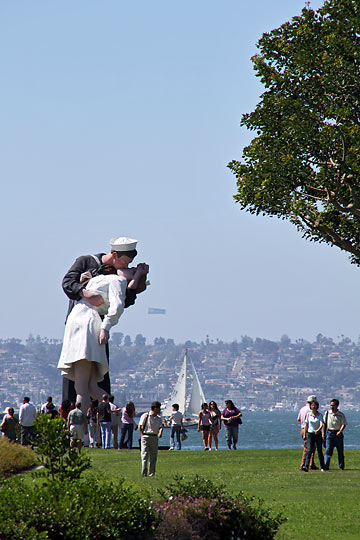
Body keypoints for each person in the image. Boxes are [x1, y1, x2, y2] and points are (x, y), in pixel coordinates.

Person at [58, 242, 149, 413]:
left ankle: (97, 416)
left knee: (91, 381)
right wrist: (84, 291)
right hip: (83, 325)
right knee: (80, 383)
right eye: (125, 262)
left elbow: (125, 301)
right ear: (114, 254)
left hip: (95, 326)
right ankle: (81, 420)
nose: (126, 266)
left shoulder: (116, 276)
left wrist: (137, 278)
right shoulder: (86, 261)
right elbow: (67, 283)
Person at [139, 401, 163, 477]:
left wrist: (160, 432)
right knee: (145, 455)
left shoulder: (159, 419)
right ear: (155, 408)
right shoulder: (145, 416)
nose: (160, 411)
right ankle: (144, 473)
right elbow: (140, 426)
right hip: (146, 436)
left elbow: (161, 426)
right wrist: (142, 435)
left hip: (154, 437)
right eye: (159, 409)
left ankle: (152, 473)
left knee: (153, 456)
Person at [323, 399, 347, 470]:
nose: (331, 407)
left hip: (338, 434)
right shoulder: (327, 413)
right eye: (331, 405)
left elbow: (344, 424)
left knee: (340, 451)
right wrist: (323, 433)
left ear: (337, 406)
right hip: (330, 433)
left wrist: (340, 431)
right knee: (328, 450)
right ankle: (326, 466)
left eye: (333, 405)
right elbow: (324, 423)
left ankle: (341, 466)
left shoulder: (340, 415)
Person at [302, 400, 325, 472]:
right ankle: (306, 466)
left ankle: (322, 466)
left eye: (315, 405)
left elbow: (322, 424)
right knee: (309, 450)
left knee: (319, 451)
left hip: (317, 434)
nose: (313, 407)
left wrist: (318, 430)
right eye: (312, 405)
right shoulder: (308, 415)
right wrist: (305, 434)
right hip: (310, 434)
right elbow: (306, 424)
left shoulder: (320, 415)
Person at [297, 394, 317, 470]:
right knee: (308, 448)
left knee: (309, 447)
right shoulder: (311, 410)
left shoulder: (302, 409)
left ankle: (311, 463)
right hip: (308, 430)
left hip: (302, 429)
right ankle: (303, 464)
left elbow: (299, 419)